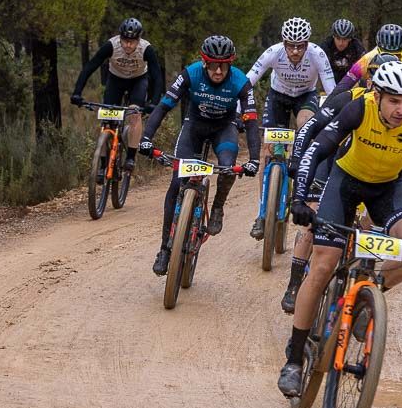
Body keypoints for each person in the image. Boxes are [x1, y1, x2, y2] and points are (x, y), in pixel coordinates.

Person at [278, 61, 402, 396]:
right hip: (344, 184)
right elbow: (317, 151)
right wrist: (300, 199)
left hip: (387, 189)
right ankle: (293, 359)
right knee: (323, 264)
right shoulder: (358, 108)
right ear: (377, 95)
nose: (401, 109)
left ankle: (369, 294)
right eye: (394, 100)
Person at [280, 50, 402, 314]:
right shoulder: (349, 100)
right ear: (367, 80)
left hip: (363, 174)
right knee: (313, 217)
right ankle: (293, 283)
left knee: (372, 223)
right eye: (372, 78)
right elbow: (309, 129)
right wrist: (297, 162)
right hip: (330, 164)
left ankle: (363, 284)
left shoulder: (397, 113)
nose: (374, 84)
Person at [139, 35, 261, 275]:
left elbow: (251, 122)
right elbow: (164, 106)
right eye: (213, 64)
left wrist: (255, 158)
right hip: (194, 126)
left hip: (223, 130)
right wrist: (145, 138)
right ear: (204, 63)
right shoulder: (190, 74)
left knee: (228, 167)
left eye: (224, 65)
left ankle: (217, 207)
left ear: (230, 64)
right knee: (176, 185)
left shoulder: (240, 82)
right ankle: (165, 249)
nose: (218, 70)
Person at [246, 17, 337, 239]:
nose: (295, 51)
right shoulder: (273, 52)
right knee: (268, 150)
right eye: (291, 46)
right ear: (284, 43)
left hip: (305, 96)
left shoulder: (317, 54)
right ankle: (262, 212)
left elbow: (332, 89)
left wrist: (334, 114)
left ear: (307, 44)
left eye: (300, 46)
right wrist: (240, 107)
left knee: (306, 126)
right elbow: (248, 81)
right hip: (278, 96)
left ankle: (301, 179)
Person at [71, 17, 163, 171]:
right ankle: (102, 164)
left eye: (132, 41)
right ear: (120, 38)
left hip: (138, 81)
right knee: (107, 117)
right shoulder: (111, 45)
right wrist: (77, 92)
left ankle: (131, 157)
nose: (128, 44)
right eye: (125, 40)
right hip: (116, 80)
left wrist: (154, 102)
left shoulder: (146, 49)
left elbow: (157, 76)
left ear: (138, 40)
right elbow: (90, 67)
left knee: (135, 114)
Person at [319, 18, 365, 84]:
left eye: (345, 39)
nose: (341, 43)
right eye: (338, 38)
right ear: (333, 36)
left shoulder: (356, 47)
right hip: (329, 81)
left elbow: (364, 67)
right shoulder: (325, 46)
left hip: (351, 82)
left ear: (350, 39)